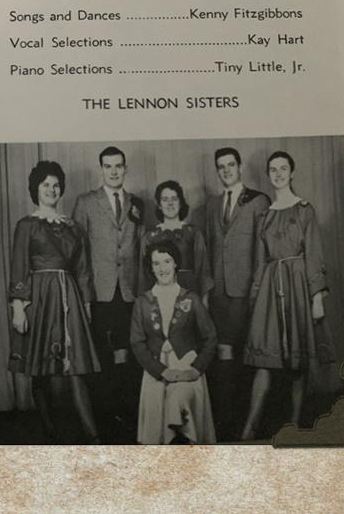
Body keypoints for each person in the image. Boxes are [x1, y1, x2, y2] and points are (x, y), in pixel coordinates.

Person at [6, 160, 102, 443]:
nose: (51, 189)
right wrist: (18, 307)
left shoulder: (73, 228)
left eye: (56, 185)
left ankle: (93, 436)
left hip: (69, 298)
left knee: (76, 369)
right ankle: (50, 432)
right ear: (35, 189)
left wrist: (85, 305)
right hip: (39, 299)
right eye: (45, 185)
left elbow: (83, 269)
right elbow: (18, 266)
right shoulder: (26, 225)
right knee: (40, 369)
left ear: (62, 190)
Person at [239, 151, 330, 439]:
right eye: (273, 170)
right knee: (265, 361)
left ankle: (293, 424)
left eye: (283, 169)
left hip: (299, 287)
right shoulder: (264, 216)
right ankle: (249, 429)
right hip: (269, 288)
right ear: (268, 175)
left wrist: (316, 297)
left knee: (298, 361)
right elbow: (259, 261)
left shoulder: (305, 210)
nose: (278, 174)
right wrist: (255, 300)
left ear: (292, 173)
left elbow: (314, 254)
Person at [72, 145, 141, 439]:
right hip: (98, 293)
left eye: (119, 166)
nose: (114, 171)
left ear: (125, 169)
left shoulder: (136, 203)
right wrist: (85, 296)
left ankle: (124, 419)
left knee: (125, 355)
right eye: (108, 166)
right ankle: (104, 423)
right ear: (101, 169)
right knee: (102, 358)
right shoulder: (86, 202)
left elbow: (140, 249)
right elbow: (78, 254)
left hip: (127, 293)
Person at [204, 146, 269, 437]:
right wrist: (207, 289)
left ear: (240, 167)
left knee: (250, 354)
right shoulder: (212, 205)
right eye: (221, 166)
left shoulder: (258, 201)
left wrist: (257, 289)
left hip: (247, 291)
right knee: (223, 354)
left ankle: (250, 423)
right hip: (220, 293)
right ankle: (227, 424)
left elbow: (261, 250)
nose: (226, 170)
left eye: (231, 165)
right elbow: (207, 250)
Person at [130, 241, 218, 444]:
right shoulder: (142, 302)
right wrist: (161, 371)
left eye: (167, 261)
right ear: (150, 268)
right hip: (156, 370)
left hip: (186, 366)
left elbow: (210, 337)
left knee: (179, 402)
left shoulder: (191, 298)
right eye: (156, 263)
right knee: (156, 409)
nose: (163, 268)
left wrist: (196, 369)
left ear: (176, 263)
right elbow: (137, 343)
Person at [141, 181, 207, 296]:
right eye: (165, 200)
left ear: (181, 203)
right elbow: (144, 276)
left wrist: (204, 302)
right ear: (159, 205)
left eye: (174, 199)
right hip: (159, 295)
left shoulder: (193, 233)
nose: (170, 203)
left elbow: (203, 271)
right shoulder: (150, 237)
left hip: (189, 293)